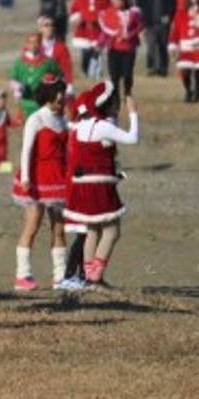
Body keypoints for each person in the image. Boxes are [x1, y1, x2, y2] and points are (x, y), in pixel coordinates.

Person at [63, 82, 139, 289]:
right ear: (108, 104)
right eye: (116, 101)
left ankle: (88, 277)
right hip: (99, 186)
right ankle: (95, 276)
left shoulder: (81, 124)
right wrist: (133, 113)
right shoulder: (104, 127)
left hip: (80, 187)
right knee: (112, 230)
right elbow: (132, 138)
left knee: (92, 230)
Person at [11, 74, 70, 291]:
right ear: (49, 95)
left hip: (58, 178)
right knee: (33, 224)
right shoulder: (36, 118)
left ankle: (61, 275)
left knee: (59, 227)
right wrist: (26, 177)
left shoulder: (63, 119)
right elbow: (26, 149)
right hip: (37, 178)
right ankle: (23, 275)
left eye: (63, 93)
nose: (62, 97)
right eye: (58, 93)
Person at [98, 0, 143, 101]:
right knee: (114, 75)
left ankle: (127, 92)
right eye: (117, 0)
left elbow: (140, 25)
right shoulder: (107, 14)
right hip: (114, 48)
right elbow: (105, 30)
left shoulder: (133, 13)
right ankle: (116, 96)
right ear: (112, 2)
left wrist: (129, 35)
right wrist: (100, 44)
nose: (119, 2)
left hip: (129, 48)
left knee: (127, 73)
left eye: (121, 0)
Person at [9, 32, 63, 122]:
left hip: (43, 103)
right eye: (30, 42)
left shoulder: (48, 61)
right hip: (25, 103)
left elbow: (59, 77)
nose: (33, 45)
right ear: (26, 44)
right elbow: (13, 79)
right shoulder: (20, 62)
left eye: (36, 42)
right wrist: (17, 88)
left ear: (40, 43)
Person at [135, 0, 176, 77]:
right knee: (151, 45)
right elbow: (138, 5)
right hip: (149, 24)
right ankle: (151, 67)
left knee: (163, 46)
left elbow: (173, 6)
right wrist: (140, 23)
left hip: (163, 24)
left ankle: (163, 69)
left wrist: (169, 17)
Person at [69, 0, 109, 79]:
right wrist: (78, 17)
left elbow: (108, 11)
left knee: (97, 53)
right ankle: (86, 72)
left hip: (98, 30)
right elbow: (74, 10)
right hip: (84, 30)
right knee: (86, 53)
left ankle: (96, 74)